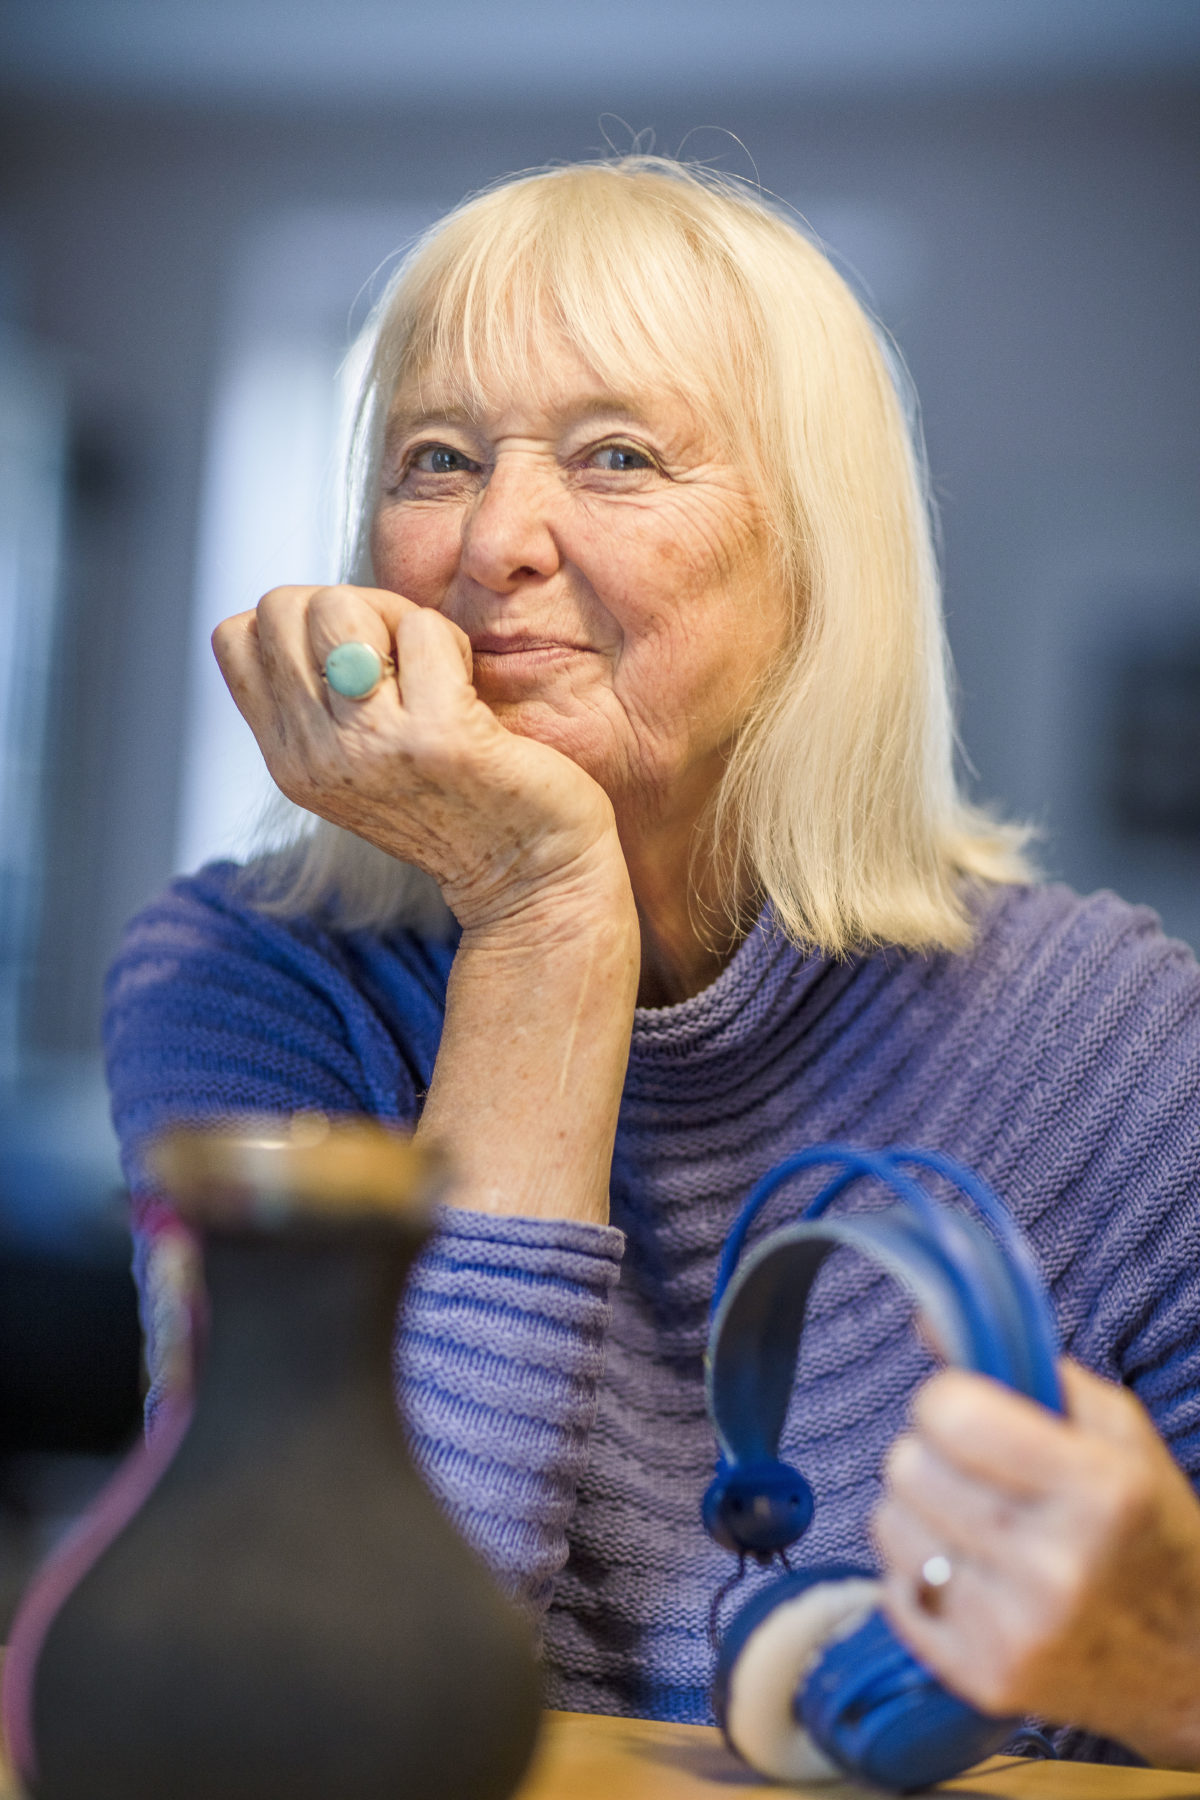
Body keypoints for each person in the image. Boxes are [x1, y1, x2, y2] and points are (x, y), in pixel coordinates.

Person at [105, 156, 1200, 1768]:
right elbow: (347, 1687)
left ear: (817, 570)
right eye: (435, 458)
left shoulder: (1122, 1040)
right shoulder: (244, 980)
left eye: (617, 455)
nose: (492, 540)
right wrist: (542, 906)